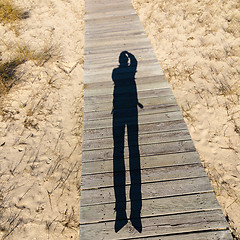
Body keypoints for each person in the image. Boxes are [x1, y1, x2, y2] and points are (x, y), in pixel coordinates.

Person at [112, 51, 142, 233]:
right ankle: (133, 215)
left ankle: (121, 214)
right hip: (130, 110)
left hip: (118, 110)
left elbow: (132, 67)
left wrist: (126, 55)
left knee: (119, 150)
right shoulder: (126, 71)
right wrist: (130, 54)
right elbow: (135, 64)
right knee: (133, 149)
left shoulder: (115, 72)